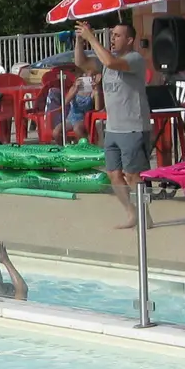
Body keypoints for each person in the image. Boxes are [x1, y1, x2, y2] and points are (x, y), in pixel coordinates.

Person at [73, 20, 152, 228]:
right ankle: (132, 213)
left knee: (132, 175)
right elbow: (81, 62)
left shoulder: (134, 59)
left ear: (130, 40)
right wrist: (80, 40)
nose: (113, 38)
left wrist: (92, 37)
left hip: (133, 127)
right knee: (113, 174)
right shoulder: (106, 60)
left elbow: (110, 63)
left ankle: (146, 216)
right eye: (113, 35)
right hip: (113, 128)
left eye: (117, 35)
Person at [62, 67, 99, 134]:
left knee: (77, 129)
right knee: (56, 132)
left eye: (92, 77)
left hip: (85, 119)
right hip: (71, 118)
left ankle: (84, 144)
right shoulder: (74, 88)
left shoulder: (94, 92)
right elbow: (65, 103)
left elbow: (97, 108)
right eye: (86, 76)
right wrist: (75, 90)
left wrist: (96, 91)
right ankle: (66, 144)